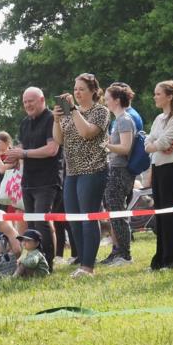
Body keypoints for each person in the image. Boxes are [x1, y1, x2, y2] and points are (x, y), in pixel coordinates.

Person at [53, 74, 111, 277]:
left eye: (82, 89)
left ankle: (88, 266)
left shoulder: (101, 111)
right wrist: (57, 118)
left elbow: (87, 133)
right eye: (75, 89)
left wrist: (75, 111)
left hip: (93, 170)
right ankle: (82, 261)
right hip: (72, 172)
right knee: (74, 219)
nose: (77, 93)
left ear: (93, 91)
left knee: (88, 217)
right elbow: (58, 140)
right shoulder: (69, 113)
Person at [6, 87, 61, 269]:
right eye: (25, 102)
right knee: (31, 224)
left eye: (31, 100)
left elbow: (52, 149)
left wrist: (24, 153)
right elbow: (22, 146)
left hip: (48, 180)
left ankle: (48, 264)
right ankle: (34, 263)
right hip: (28, 180)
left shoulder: (52, 118)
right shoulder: (24, 123)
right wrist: (14, 155)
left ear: (42, 100)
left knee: (42, 222)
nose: (27, 105)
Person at [145, 81, 173, 271]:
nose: (155, 97)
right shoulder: (158, 118)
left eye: (158, 94)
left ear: (169, 96)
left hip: (172, 168)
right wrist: (155, 145)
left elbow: (162, 142)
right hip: (159, 166)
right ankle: (161, 258)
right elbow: (149, 141)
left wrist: (157, 144)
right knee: (160, 215)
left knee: (171, 216)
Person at [102, 83, 138, 266]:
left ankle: (125, 254)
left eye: (108, 99)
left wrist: (105, 145)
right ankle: (119, 252)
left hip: (120, 171)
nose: (105, 102)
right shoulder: (118, 120)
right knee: (114, 212)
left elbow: (125, 148)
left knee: (118, 213)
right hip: (114, 170)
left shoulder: (124, 120)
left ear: (117, 100)